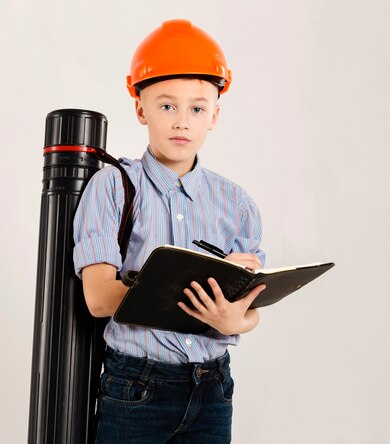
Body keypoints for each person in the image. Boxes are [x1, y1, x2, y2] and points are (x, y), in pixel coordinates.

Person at [73, 19, 266, 443]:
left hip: (212, 388)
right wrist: (205, 281)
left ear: (214, 115)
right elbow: (100, 298)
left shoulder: (236, 203)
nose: (182, 121)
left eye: (197, 108)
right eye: (166, 106)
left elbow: (248, 311)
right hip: (138, 388)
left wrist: (236, 317)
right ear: (141, 109)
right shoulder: (112, 187)